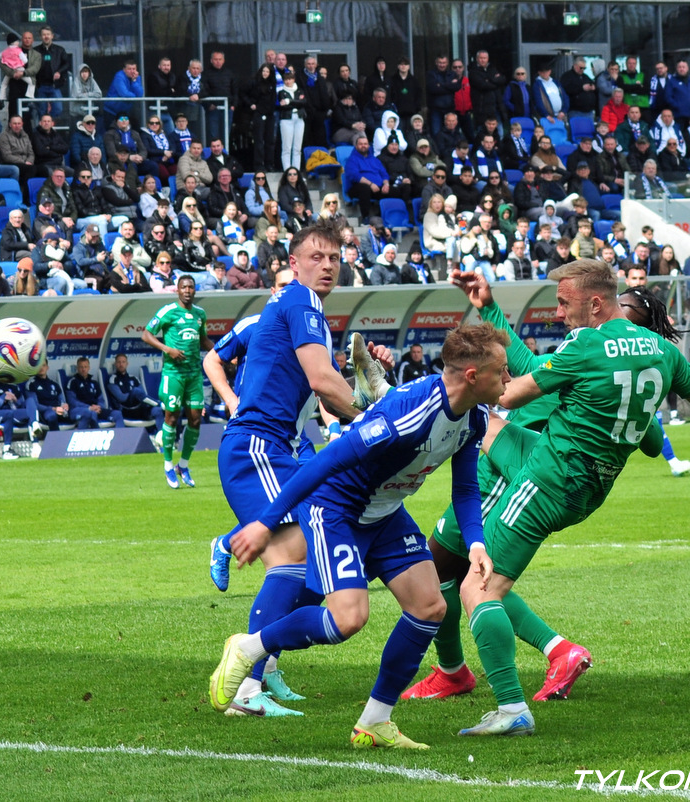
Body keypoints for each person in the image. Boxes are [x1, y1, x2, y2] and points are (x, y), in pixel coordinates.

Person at [401, 263, 690, 735]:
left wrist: (463, 381)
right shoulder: (663, 351)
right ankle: (498, 668)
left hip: (548, 481)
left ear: (596, 303)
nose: (559, 312)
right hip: (588, 485)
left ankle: (511, 708)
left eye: (564, 303)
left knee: (477, 588)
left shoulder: (586, 345)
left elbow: (513, 392)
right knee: (489, 432)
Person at [213, 323, 507, 750]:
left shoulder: (473, 417)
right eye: (501, 371)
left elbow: (464, 488)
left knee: (429, 607)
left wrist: (476, 543)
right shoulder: (409, 413)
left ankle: (375, 722)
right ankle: (249, 647)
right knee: (347, 619)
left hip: (384, 512)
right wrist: (265, 522)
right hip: (336, 508)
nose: (508, 379)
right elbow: (325, 463)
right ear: (473, 376)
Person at [208, 219, 395, 717]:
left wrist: (369, 386)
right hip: (259, 446)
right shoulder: (300, 300)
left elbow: (327, 386)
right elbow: (322, 381)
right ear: (293, 263)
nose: (328, 265)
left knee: (314, 554)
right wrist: (383, 420)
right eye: (317, 256)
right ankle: (247, 687)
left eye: (334, 257)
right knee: (291, 557)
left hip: (281, 449)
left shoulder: (305, 310)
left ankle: (262, 667)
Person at [140, 275, 214, 488]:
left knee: (195, 420)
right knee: (171, 418)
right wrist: (168, 349)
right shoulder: (168, 311)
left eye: (191, 287)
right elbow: (146, 334)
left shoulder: (200, 314)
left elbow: (203, 340)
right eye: (184, 287)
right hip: (173, 374)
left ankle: (183, 465)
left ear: (195, 290)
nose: (188, 290)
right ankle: (167, 466)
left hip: (194, 374)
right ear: (178, 290)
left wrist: (223, 352)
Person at [66, 357, 118, 429]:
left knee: (117, 414)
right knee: (90, 413)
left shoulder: (94, 382)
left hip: (95, 409)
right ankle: (97, 434)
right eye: (81, 367)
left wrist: (98, 407)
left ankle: (120, 436)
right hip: (78, 410)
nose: (83, 369)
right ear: (77, 368)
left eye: (85, 367)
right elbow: (72, 402)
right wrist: (89, 407)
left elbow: (101, 399)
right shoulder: (73, 382)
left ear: (89, 368)